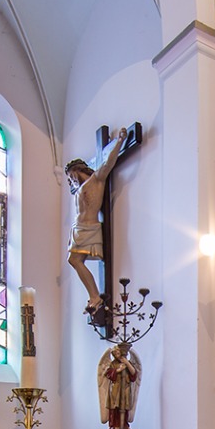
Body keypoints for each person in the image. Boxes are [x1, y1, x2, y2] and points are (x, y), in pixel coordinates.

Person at [65, 128, 129, 325]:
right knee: (73, 260)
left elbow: (108, 162)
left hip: (89, 226)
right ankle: (94, 296)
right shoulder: (78, 190)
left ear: (78, 170)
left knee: (74, 260)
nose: (71, 180)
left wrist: (120, 141)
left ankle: (95, 296)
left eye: (71, 175)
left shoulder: (96, 180)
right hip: (78, 228)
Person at [98, 342, 141, 429]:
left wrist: (127, 363)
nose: (118, 355)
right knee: (115, 407)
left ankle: (124, 425)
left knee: (125, 406)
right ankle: (114, 424)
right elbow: (108, 373)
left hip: (126, 388)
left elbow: (134, 375)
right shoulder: (113, 364)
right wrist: (118, 370)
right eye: (116, 354)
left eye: (119, 353)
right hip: (115, 388)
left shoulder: (127, 363)